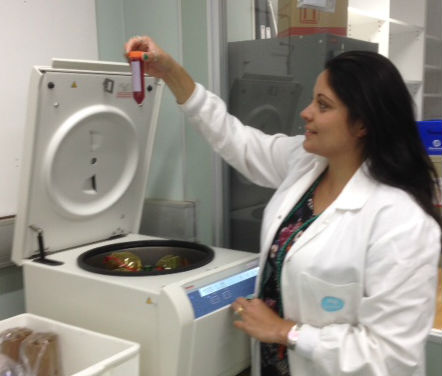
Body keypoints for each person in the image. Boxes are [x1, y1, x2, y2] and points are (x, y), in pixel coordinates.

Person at [125, 36, 442, 376]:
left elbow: (392, 358)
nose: (306, 112)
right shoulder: (307, 164)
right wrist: (171, 72)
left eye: (323, 105)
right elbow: (236, 139)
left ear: (363, 124)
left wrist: (284, 331)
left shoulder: (401, 221)